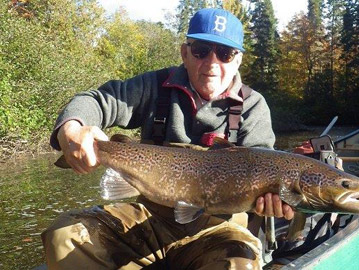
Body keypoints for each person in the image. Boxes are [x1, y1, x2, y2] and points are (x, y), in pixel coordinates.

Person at [42, 8, 294, 270]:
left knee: (239, 264)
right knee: (65, 237)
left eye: (224, 53)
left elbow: (266, 166)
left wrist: (269, 203)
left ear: (238, 60)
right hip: (149, 220)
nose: (211, 63)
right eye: (201, 50)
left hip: (218, 229)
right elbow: (97, 101)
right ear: (185, 53)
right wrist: (71, 128)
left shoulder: (252, 106)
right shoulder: (155, 85)